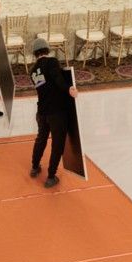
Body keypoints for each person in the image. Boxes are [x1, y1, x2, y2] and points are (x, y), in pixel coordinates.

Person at [28, 38, 76, 188]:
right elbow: (57, 79)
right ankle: (50, 177)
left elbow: (44, 87)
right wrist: (69, 89)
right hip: (56, 112)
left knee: (41, 139)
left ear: (35, 53)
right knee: (57, 144)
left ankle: (35, 167)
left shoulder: (32, 71)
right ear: (47, 50)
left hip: (42, 112)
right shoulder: (52, 62)